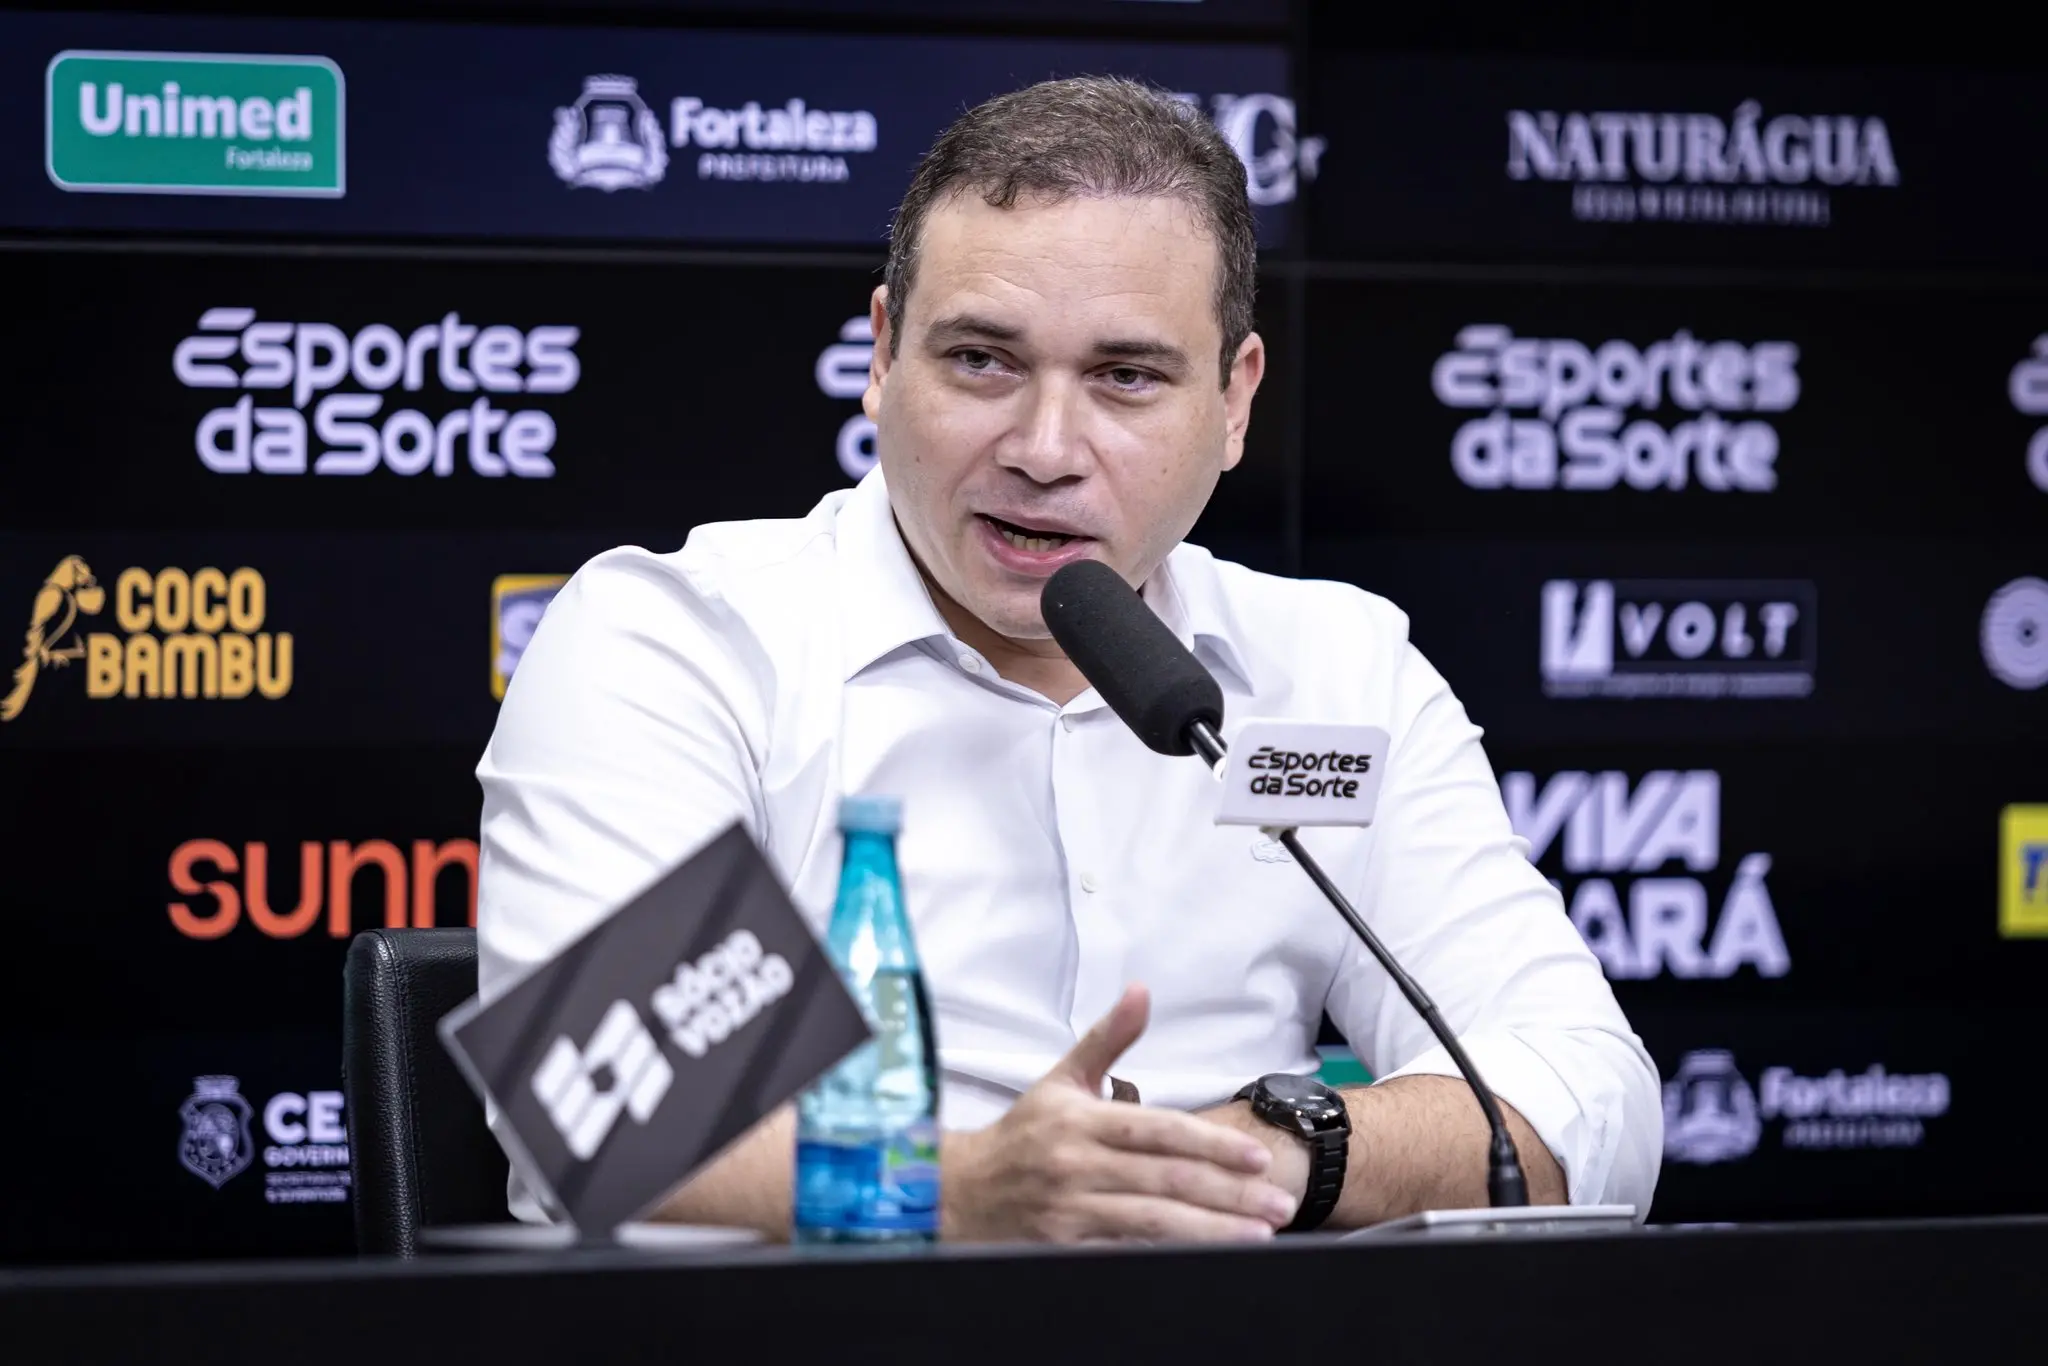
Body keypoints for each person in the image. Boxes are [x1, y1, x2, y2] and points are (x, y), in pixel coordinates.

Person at [477, 75, 1660, 1242]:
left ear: (1233, 402)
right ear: (882, 357)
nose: (1044, 449)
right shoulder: (679, 644)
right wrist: (967, 1191)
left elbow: (1587, 1101)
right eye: (981, 361)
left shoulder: (1338, 666)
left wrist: (1256, 1156)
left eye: (1124, 377)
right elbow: (599, 1118)